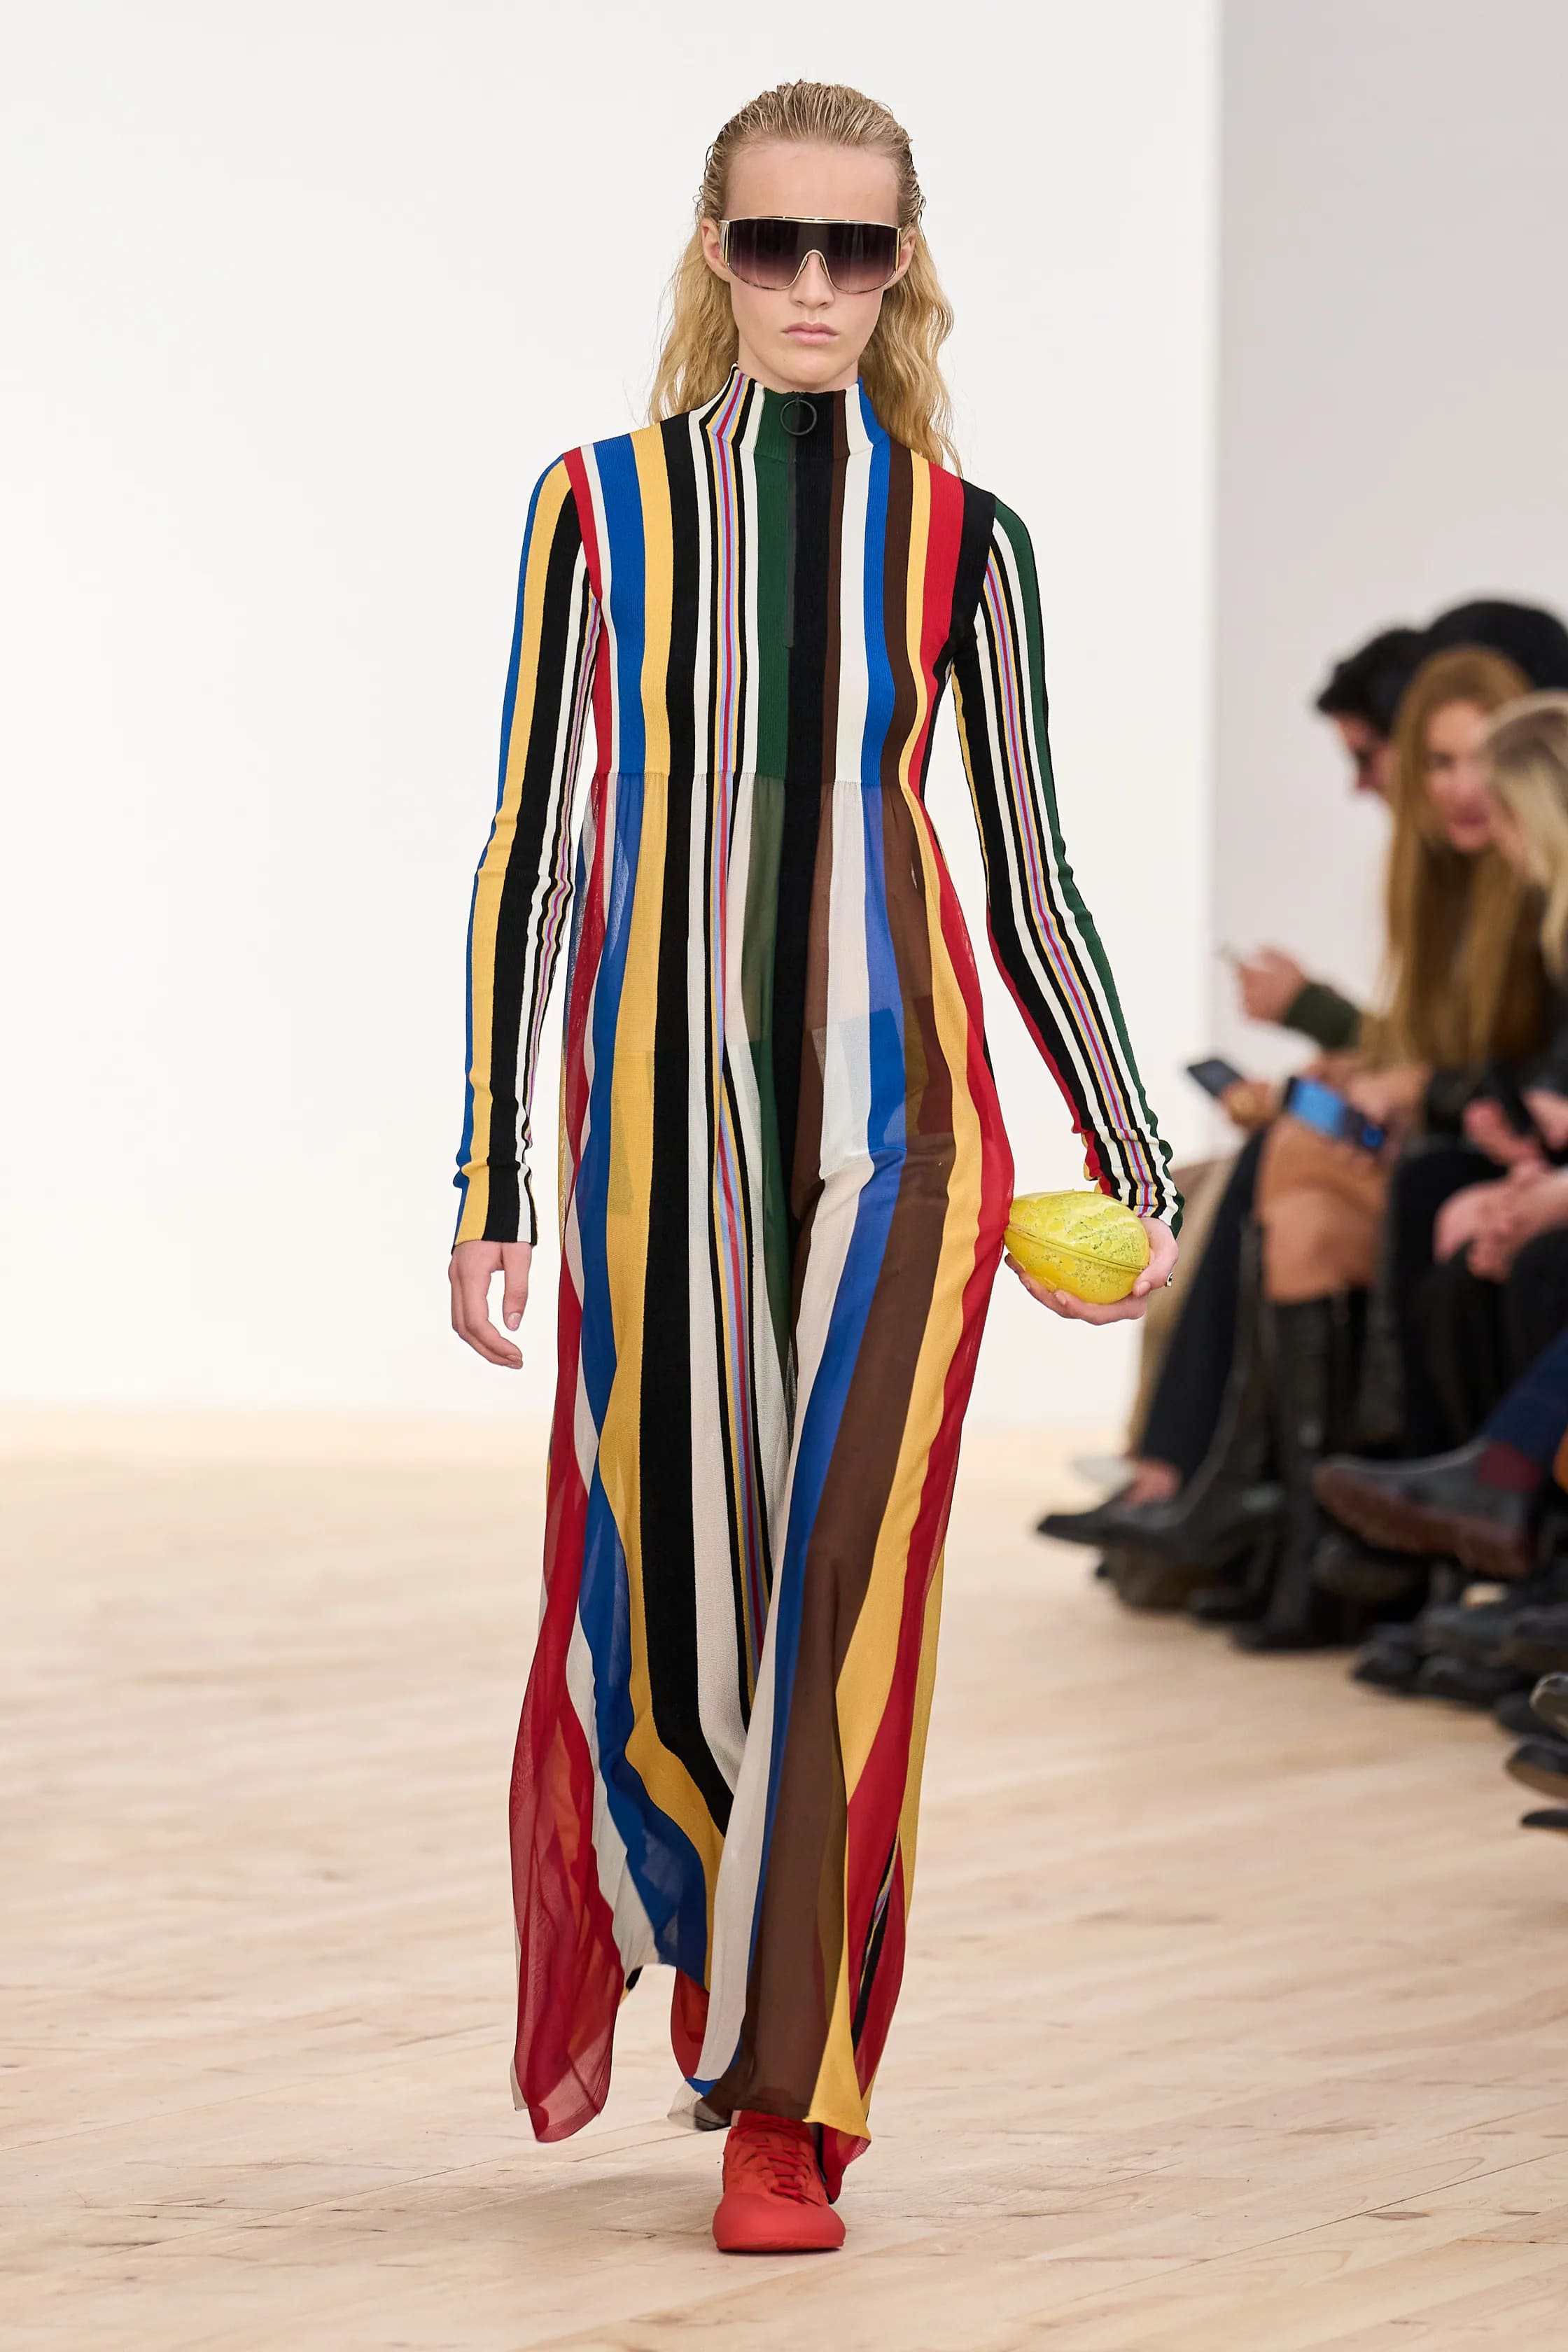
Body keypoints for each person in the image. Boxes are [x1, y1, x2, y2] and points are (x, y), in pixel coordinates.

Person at [446, 80, 1177, 2256]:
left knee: (844, 1600)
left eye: (854, 249)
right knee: (680, 1593)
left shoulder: (967, 540)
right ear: (715, 250)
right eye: (775, 243)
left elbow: (1030, 870)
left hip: (907, 1132)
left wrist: (1130, 1150)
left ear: (903, 266)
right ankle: (712, 1950)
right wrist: (490, 1175)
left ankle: (791, 2107)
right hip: (651, 1131)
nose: (813, 287)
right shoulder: (595, 507)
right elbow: (531, 841)